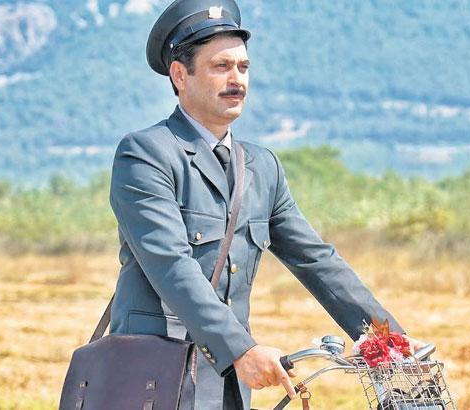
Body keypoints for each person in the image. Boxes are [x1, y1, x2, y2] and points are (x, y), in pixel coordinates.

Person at [108, 0, 422, 408]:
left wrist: (388, 339)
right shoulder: (146, 154)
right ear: (180, 75)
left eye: (243, 67)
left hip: (228, 386)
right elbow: (171, 265)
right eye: (221, 66)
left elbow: (316, 260)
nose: (236, 79)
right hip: (154, 380)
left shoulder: (261, 166)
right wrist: (240, 349)